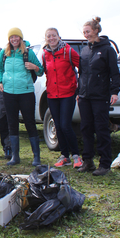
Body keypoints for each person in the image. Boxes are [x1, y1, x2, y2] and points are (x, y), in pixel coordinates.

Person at [77, 17, 120, 176]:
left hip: (100, 96)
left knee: (101, 129)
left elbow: (114, 73)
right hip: (84, 97)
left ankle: (104, 164)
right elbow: (81, 73)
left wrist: (114, 91)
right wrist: (78, 92)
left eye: (88, 31)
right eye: (84, 32)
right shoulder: (85, 49)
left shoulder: (107, 49)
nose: (86, 34)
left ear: (96, 30)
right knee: (86, 128)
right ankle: (87, 161)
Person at [0, 27, 44, 166]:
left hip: (25, 92)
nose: (14, 39)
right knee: (12, 123)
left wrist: (34, 67)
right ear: (9, 39)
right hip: (9, 93)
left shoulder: (27, 53)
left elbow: (40, 71)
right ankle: (15, 157)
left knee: (30, 123)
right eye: (12, 37)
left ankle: (36, 158)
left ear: (21, 38)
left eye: (16, 37)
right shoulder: (4, 53)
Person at [42, 28, 83, 168]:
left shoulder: (69, 51)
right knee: (58, 126)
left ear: (59, 37)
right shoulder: (44, 54)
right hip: (52, 95)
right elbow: (42, 71)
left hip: (68, 94)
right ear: (46, 38)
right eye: (49, 36)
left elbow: (82, 68)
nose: (51, 38)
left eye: (54, 35)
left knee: (66, 125)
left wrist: (79, 89)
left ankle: (76, 156)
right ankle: (65, 156)